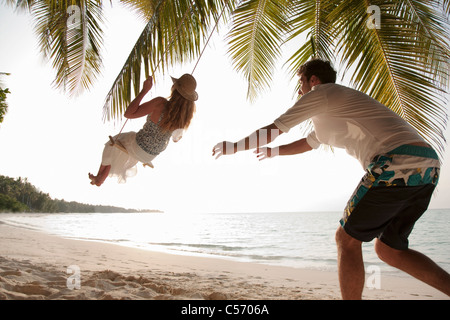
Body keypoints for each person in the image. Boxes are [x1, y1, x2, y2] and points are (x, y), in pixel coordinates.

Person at [212, 59, 450, 299]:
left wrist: (235, 146)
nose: (299, 90)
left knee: (345, 239)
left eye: (301, 83)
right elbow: (309, 142)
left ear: (313, 80)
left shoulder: (321, 92)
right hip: (428, 167)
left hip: (396, 162)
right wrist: (274, 152)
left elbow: (275, 128)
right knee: (389, 249)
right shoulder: (334, 108)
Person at [89, 74, 198, 186]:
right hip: (151, 155)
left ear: (175, 88)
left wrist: (144, 90)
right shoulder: (183, 118)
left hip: (139, 145)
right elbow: (176, 139)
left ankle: (100, 177)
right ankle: (101, 177)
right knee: (120, 148)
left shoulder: (160, 103)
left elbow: (129, 114)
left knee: (113, 143)